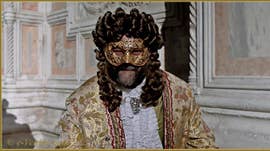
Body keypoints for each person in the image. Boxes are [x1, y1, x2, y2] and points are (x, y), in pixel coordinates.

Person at [56, 7, 216, 149]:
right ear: (104, 52)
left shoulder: (181, 94)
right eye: (118, 51)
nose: (127, 60)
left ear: (150, 53)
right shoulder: (80, 103)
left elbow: (201, 144)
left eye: (136, 52)